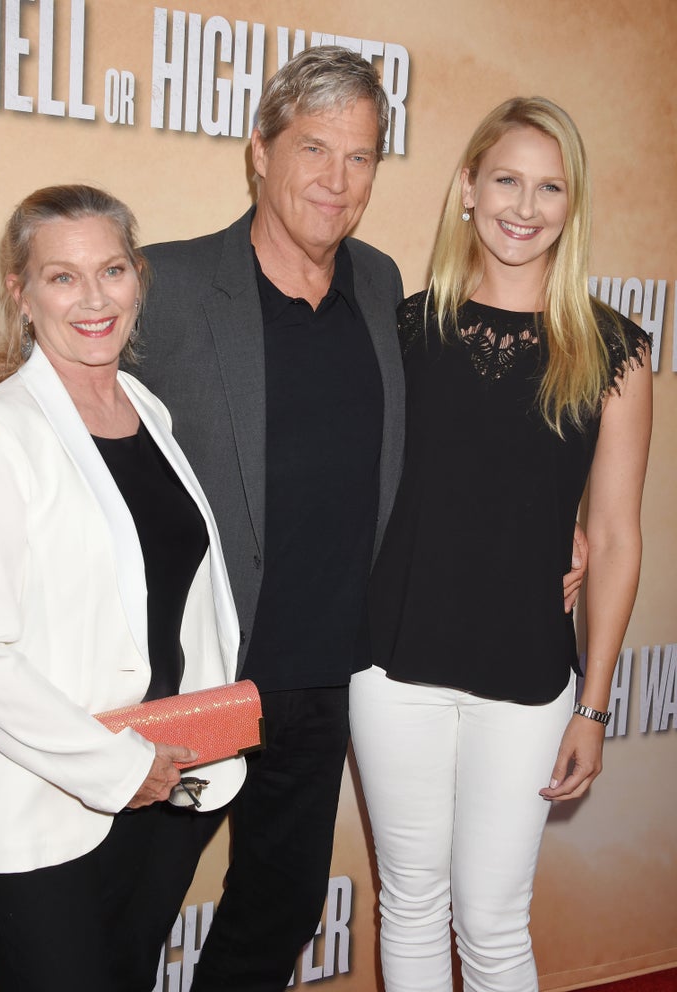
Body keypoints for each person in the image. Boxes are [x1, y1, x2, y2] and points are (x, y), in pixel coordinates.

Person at [349, 97, 652, 992]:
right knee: (408, 902)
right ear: (468, 190)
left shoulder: (614, 355)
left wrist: (594, 708)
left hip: (526, 677)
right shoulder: (399, 330)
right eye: (507, 180)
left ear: (574, 203)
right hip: (393, 663)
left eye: (550, 186)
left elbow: (617, 536)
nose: (526, 206)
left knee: (490, 920)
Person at [137, 46, 405, 992]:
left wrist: (560, 529)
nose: (337, 181)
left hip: (321, 676)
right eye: (313, 148)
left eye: (361, 156)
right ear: (259, 149)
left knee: (277, 914)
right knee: (119, 923)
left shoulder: (379, 285)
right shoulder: (165, 288)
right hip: (195, 681)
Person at [0, 184, 246, 992]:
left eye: (112, 269)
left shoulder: (148, 409)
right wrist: (118, 768)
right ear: (20, 294)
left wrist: (188, 750)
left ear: (137, 279)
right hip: (44, 808)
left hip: (162, 799)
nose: (93, 298)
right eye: (62, 277)